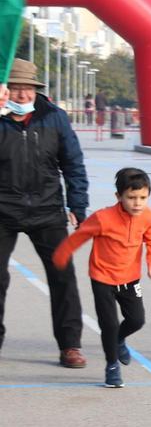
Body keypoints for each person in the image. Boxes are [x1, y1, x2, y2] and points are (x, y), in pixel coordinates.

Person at [0, 58, 89, 368]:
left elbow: (73, 164)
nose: (22, 95)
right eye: (15, 88)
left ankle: (70, 346)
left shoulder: (55, 118)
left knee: (62, 277)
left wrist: (78, 204)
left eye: (27, 89)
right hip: (3, 209)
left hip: (47, 208)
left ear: (37, 90)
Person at [52, 168, 151, 388]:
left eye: (143, 198)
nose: (137, 203)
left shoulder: (148, 216)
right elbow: (80, 236)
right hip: (102, 277)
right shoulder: (103, 218)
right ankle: (112, 366)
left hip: (129, 278)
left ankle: (119, 340)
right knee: (109, 324)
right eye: (131, 198)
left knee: (137, 320)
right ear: (118, 197)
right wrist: (61, 255)